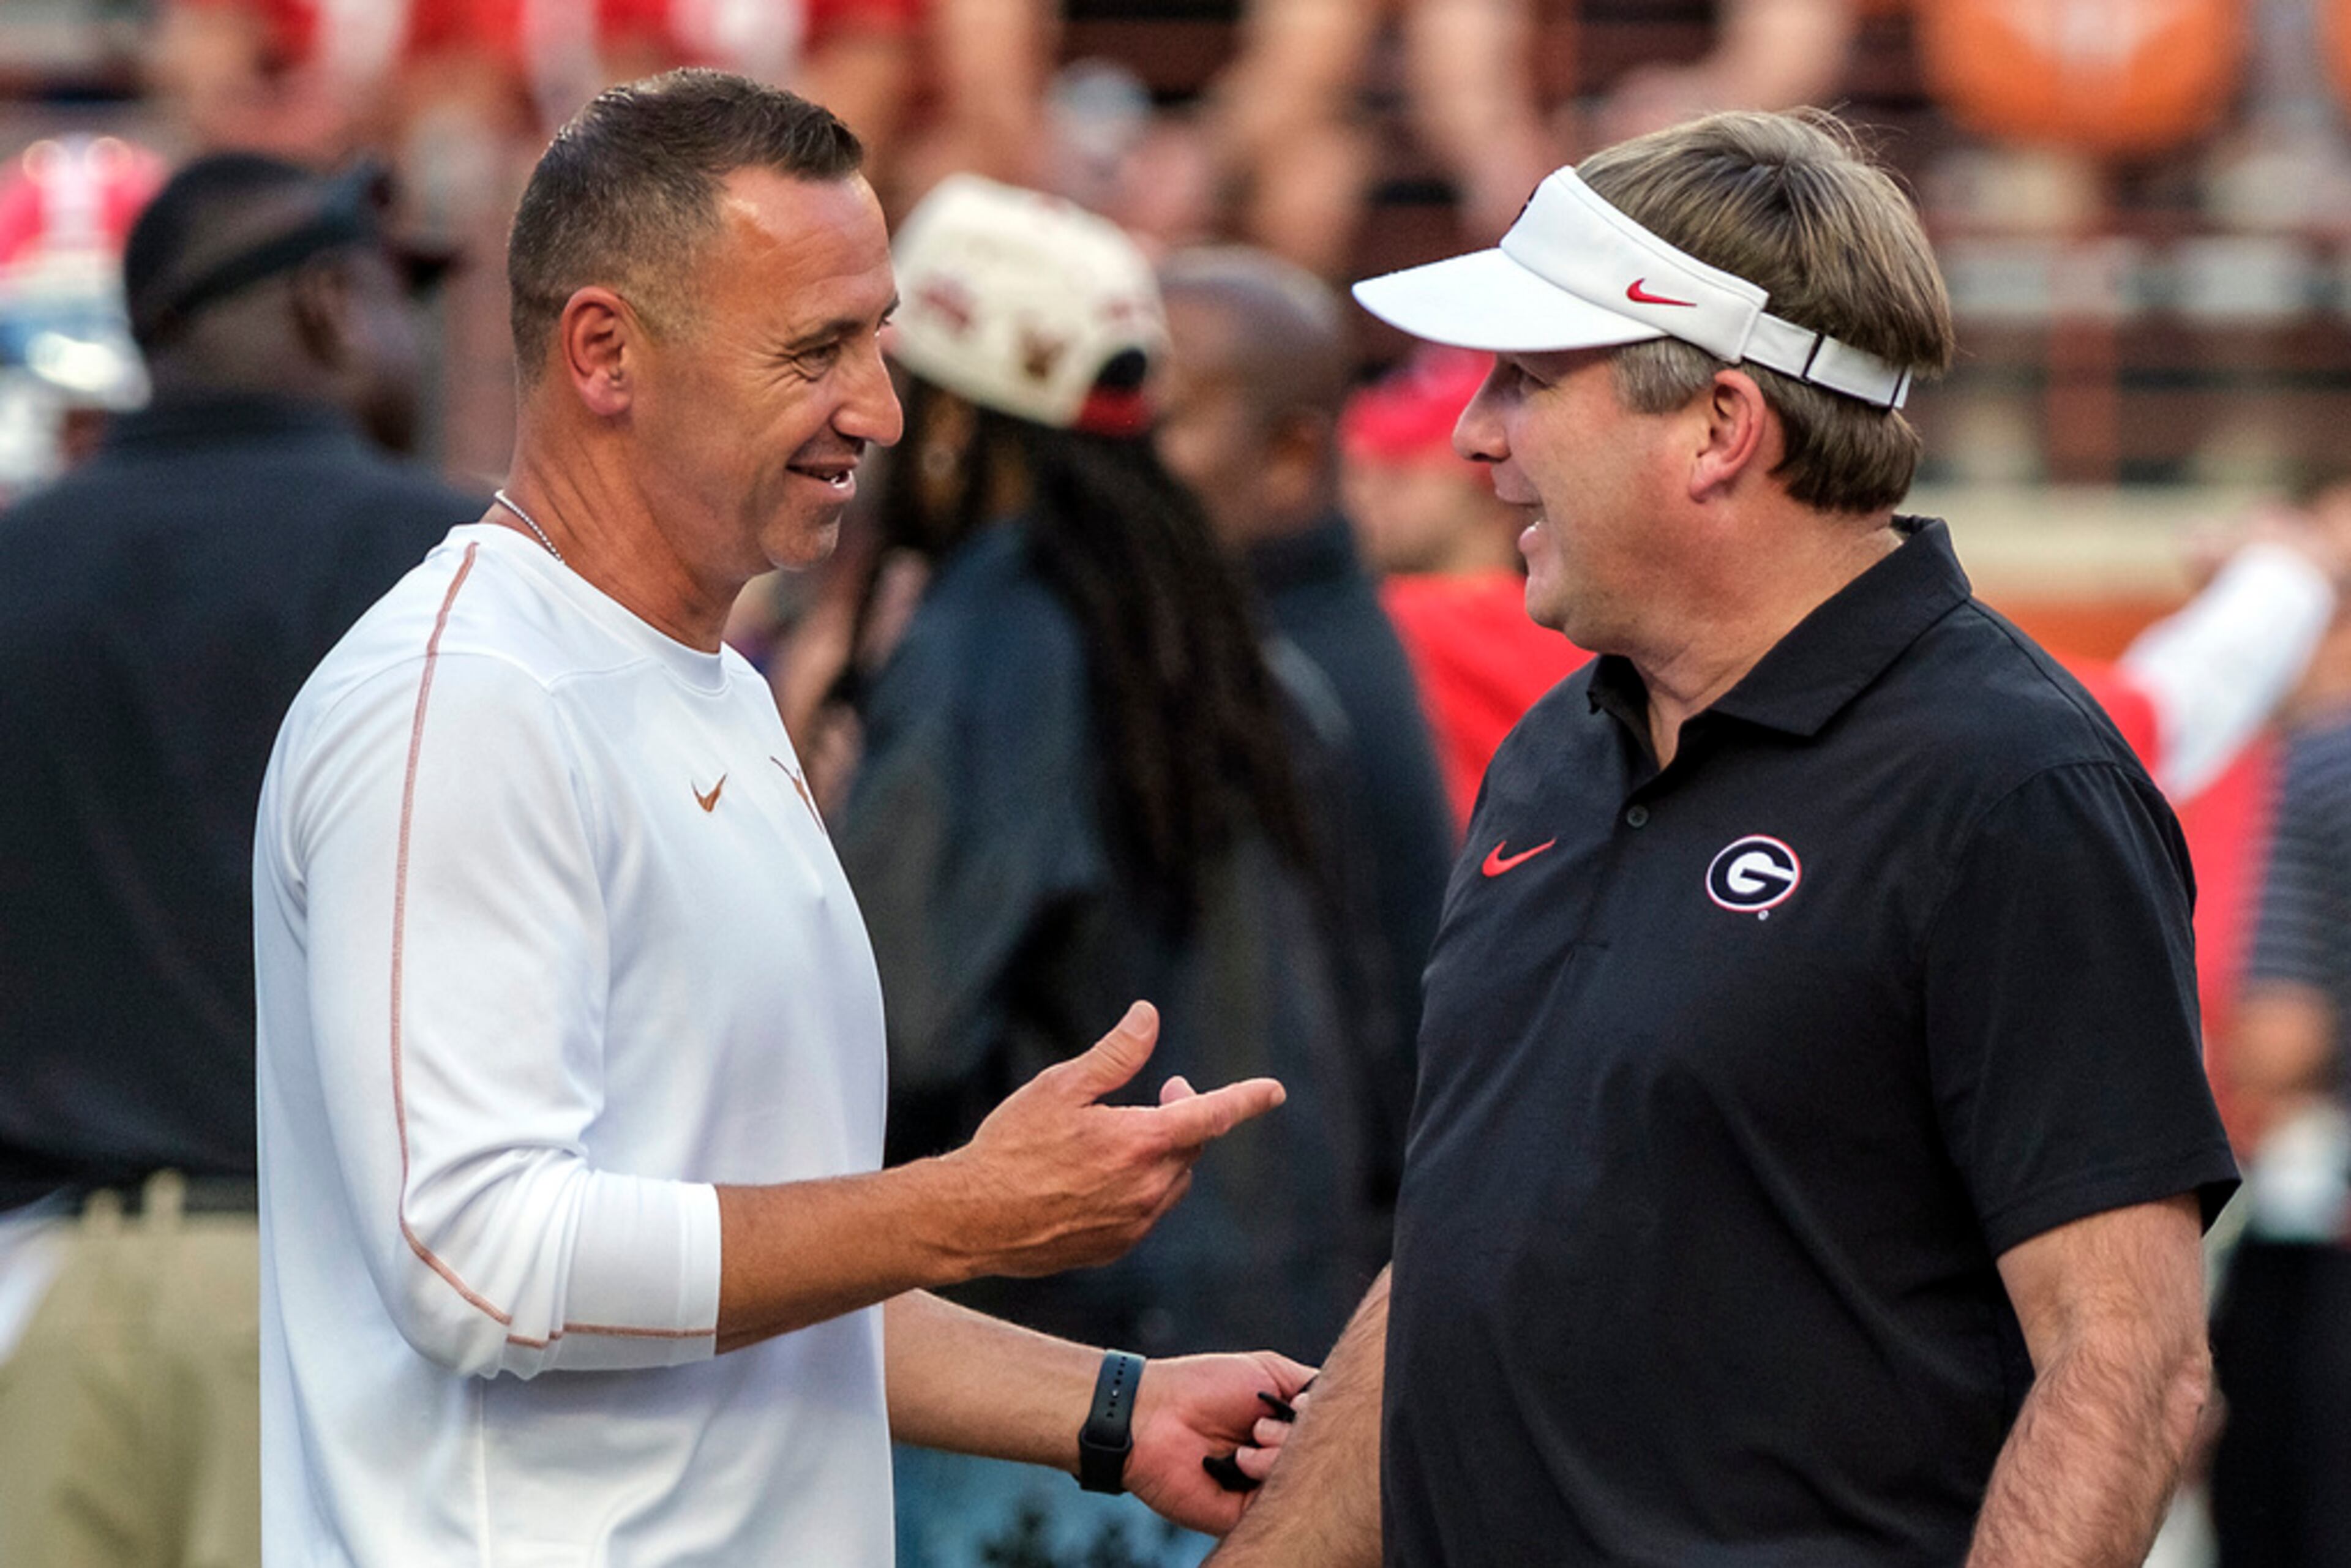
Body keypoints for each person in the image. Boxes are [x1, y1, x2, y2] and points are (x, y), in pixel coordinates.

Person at [251, 72, 1308, 1566]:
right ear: (604, 350)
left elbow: (740, 1275)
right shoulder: (466, 701)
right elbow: (482, 1262)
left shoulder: (710, 692)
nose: (877, 404)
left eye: (877, 334)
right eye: (816, 346)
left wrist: (1109, 1404)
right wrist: (956, 1208)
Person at [1212, 109, 2240, 1566]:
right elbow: (1462, 1247)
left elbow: (2125, 1365)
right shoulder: (1556, 747)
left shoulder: (2009, 784)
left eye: (1526, 379)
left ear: (1717, 426)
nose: (1471, 434)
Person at [830, 176, 1385, 1566]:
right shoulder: (1228, 645)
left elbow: (882, 1023)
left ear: (951, 417)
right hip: (1261, 1371)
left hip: (1058, 1398)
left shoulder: (994, 641)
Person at [0, 149, 482, 1566]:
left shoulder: (12, 571)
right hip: (360, 1309)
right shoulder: (460, 567)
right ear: (334, 305)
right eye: (401, 298)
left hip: (41, 1299)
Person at [1155, 243, 1454, 1205]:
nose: (1111, 451)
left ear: (1289, 459)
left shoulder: (1286, 689)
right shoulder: (1250, 646)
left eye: (1160, 417)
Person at [1339, 345, 1592, 828]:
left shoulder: (1395, 620)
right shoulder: (1585, 620)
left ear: (1486, 476)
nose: (1361, 493)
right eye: (1357, 469)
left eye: (1397, 473)